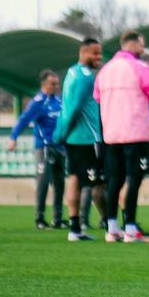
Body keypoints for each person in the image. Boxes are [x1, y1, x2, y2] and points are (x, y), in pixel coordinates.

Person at [94, 30, 149, 243]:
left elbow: (97, 96)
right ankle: (130, 228)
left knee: (114, 181)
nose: (142, 48)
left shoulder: (105, 70)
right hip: (135, 133)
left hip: (112, 134)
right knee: (134, 180)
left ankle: (112, 228)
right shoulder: (139, 67)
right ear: (134, 44)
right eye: (141, 44)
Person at [54, 37, 108, 242]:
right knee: (98, 184)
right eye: (95, 53)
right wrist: (63, 132)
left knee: (74, 178)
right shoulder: (85, 76)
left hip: (74, 138)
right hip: (88, 137)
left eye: (100, 52)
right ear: (83, 52)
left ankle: (75, 227)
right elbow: (75, 108)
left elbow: (67, 107)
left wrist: (63, 133)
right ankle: (110, 224)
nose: (98, 57)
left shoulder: (71, 72)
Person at [8, 70, 65, 230]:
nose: (56, 86)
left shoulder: (59, 101)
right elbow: (24, 119)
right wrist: (13, 137)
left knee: (59, 184)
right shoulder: (38, 102)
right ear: (44, 84)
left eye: (57, 83)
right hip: (44, 147)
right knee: (43, 182)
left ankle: (57, 219)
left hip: (60, 147)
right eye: (53, 84)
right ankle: (39, 218)